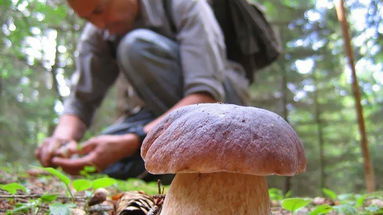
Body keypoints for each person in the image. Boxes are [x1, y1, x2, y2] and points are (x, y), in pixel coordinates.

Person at [35, 0, 250, 182]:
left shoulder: (186, 5)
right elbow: (81, 102)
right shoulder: (99, 32)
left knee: (136, 46)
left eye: (99, 10)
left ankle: (214, 165)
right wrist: (61, 140)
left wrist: (134, 140)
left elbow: (206, 97)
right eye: (89, 19)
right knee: (95, 158)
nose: (100, 25)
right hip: (159, 117)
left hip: (223, 112)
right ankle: (177, 170)